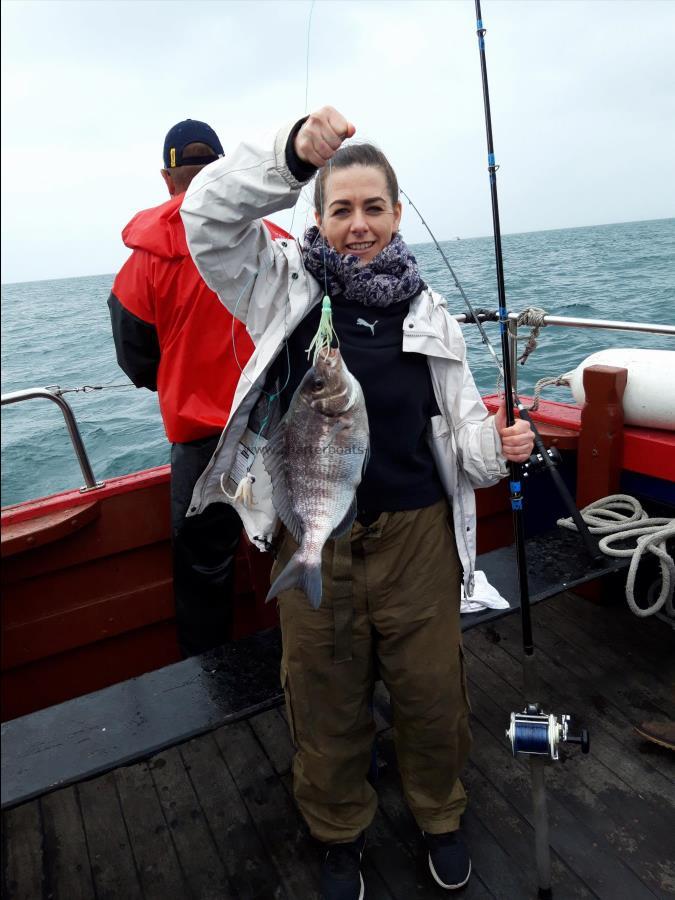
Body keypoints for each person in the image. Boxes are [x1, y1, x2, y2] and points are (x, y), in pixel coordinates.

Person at [180, 107, 535, 899]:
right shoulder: (280, 291)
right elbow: (203, 217)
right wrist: (289, 151)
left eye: (373, 207)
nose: (357, 224)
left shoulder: (430, 314)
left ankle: (439, 815)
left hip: (417, 538)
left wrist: (499, 447)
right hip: (318, 533)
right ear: (316, 215)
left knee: (433, 695)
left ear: (397, 214)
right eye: (340, 208)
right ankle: (338, 831)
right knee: (323, 696)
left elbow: (463, 440)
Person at [108, 119, 257, 658]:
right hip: (271, 433)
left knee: (202, 573)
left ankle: (212, 682)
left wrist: (179, 380)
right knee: (292, 551)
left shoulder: (141, 265)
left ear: (168, 178)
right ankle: (307, 664)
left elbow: (135, 360)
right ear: (224, 170)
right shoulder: (272, 240)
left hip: (198, 446)